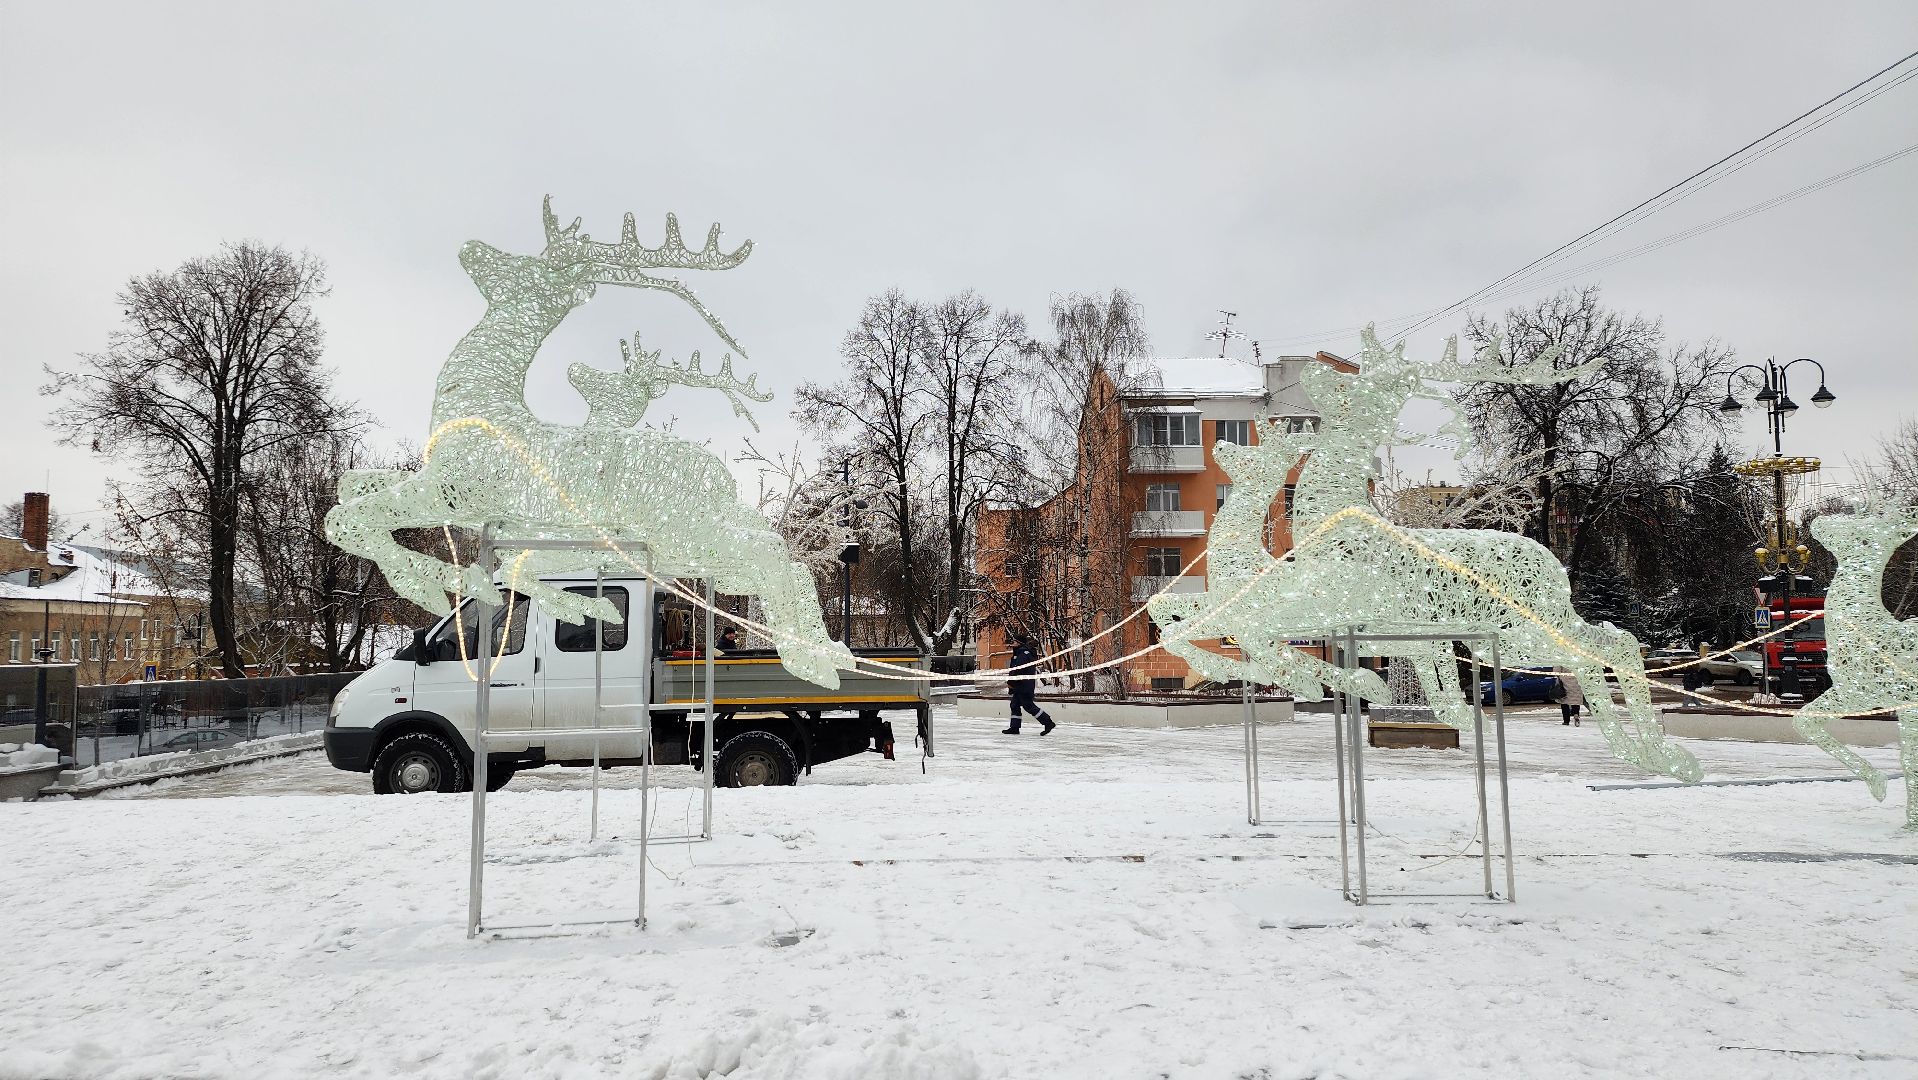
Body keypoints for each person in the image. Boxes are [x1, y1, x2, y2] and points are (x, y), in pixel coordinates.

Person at [1003, 633, 1055, 735]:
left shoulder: (1024, 653)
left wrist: (1011, 682)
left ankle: (1048, 722)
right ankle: (1014, 727)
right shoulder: (1019, 653)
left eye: (1014, 642)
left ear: (1019, 643)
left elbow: (1019, 669)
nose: (1012, 644)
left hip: (1023, 685)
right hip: (1019, 685)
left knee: (1028, 706)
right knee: (1014, 705)